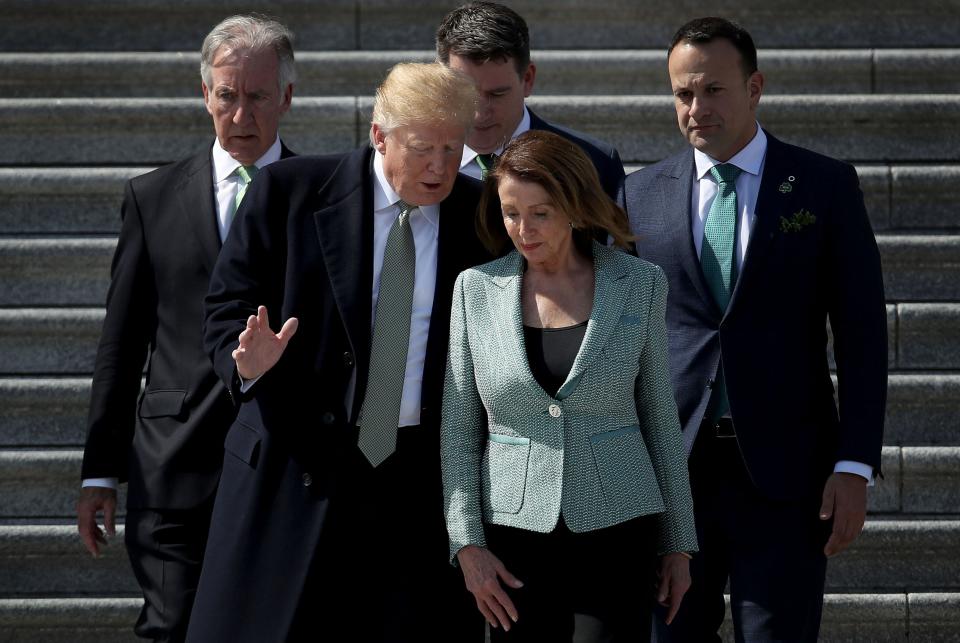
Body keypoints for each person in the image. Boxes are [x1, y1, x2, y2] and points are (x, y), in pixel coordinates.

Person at [185, 62, 489, 643]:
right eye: (424, 148)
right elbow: (226, 308)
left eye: (454, 149)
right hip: (296, 469)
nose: (441, 167)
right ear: (379, 134)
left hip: (416, 481)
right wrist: (244, 363)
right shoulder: (290, 192)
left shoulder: (479, 214)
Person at [621, 17, 887, 642]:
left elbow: (862, 336)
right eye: (683, 94)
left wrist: (854, 464)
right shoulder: (639, 195)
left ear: (755, 86)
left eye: (713, 90)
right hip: (673, 477)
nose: (696, 108)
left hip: (788, 476)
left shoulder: (823, 185)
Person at [76, 14, 295, 642]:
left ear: (286, 97)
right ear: (206, 95)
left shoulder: (322, 196)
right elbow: (122, 342)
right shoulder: (153, 197)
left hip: (280, 464)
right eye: (227, 95)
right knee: (172, 630)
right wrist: (99, 472)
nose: (241, 113)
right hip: (172, 464)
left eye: (257, 96)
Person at [441, 130, 697, 642]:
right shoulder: (476, 290)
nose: (523, 229)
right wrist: (466, 543)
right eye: (511, 212)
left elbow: (660, 419)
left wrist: (679, 542)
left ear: (575, 207)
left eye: (541, 212)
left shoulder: (639, 283)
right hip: (513, 537)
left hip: (618, 528)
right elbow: (459, 428)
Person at [436, 1, 624, 199]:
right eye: (465, 94)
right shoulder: (415, 163)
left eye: (497, 94)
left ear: (527, 79)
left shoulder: (594, 163)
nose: (479, 114)